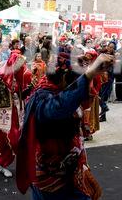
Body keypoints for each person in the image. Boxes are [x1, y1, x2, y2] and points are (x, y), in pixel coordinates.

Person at [16, 52, 113, 200]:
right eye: (72, 80)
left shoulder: (52, 86)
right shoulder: (42, 98)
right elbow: (60, 106)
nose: (74, 84)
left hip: (67, 169)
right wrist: (88, 75)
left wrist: (88, 69)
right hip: (51, 177)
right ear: (62, 78)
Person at [0, 51, 31, 178]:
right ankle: (3, 163)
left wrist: (31, 86)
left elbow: (25, 94)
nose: (22, 67)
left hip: (19, 112)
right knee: (12, 139)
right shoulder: (0, 77)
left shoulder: (21, 77)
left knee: (21, 139)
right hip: (6, 114)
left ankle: (8, 163)